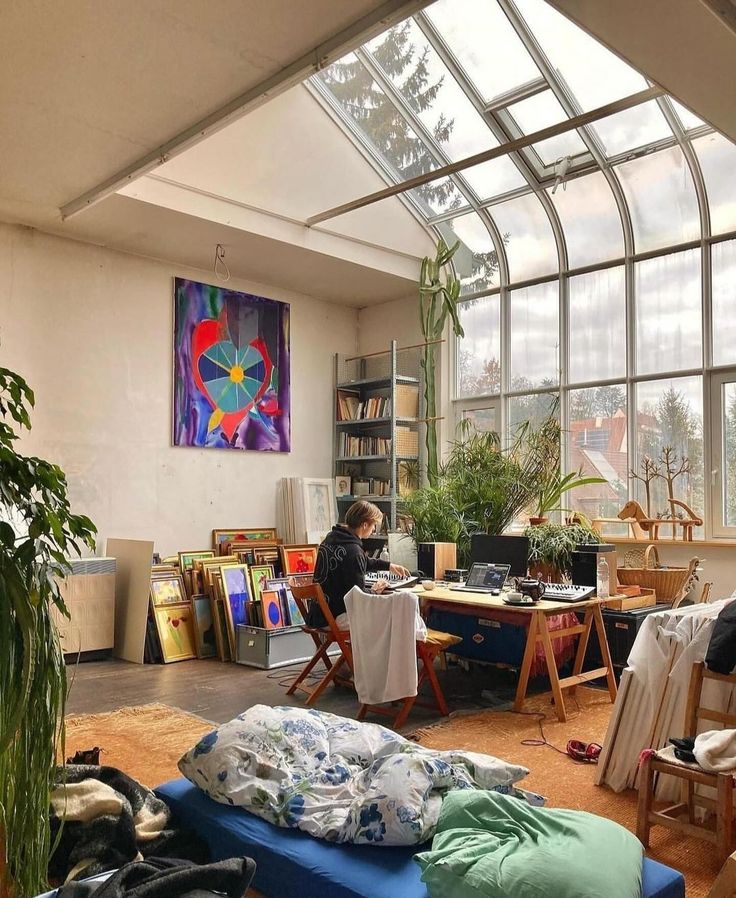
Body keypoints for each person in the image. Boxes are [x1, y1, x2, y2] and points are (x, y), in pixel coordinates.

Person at [309, 499, 410, 628]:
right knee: (390, 618)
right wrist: (375, 590)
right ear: (364, 525)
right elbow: (360, 598)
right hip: (336, 618)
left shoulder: (330, 540)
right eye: (373, 525)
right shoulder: (353, 550)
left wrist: (389, 566)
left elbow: (362, 561)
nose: (374, 529)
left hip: (318, 614)